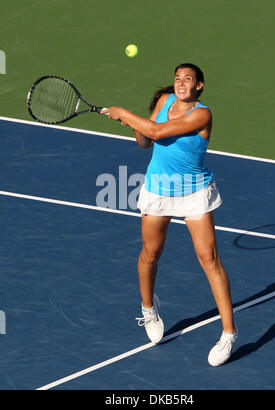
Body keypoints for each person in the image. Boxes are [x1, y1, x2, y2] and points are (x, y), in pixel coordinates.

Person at [100, 63, 237, 366]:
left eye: (188, 79)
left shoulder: (202, 114)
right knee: (150, 253)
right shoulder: (163, 101)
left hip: (193, 192)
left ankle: (228, 334)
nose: (181, 83)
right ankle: (148, 310)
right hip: (159, 189)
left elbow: (158, 131)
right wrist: (135, 125)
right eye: (178, 78)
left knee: (209, 258)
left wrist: (124, 113)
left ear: (199, 86)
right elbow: (146, 140)